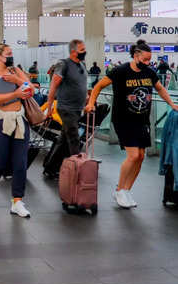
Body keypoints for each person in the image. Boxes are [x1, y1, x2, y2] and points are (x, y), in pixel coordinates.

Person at [86, 39, 178, 209]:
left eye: (149, 60)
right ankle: (119, 189)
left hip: (142, 119)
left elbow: (160, 89)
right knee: (133, 156)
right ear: (136, 56)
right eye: (144, 60)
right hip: (123, 119)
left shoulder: (149, 72)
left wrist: (172, 104)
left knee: (141, 157)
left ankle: (127, 190)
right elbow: (98, 85)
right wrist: (91, 102)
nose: (148, 63)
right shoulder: (120, 71)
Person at [0, 43, 34, 218]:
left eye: (12, 53)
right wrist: (15, 94)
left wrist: (18, 81)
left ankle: (17, 201)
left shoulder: (16, 71)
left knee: (20, 163)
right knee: (0, 163)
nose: (11, 57)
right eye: (8, 54)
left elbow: (31, 89)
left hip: (19, 121)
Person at [45, 40, 88, 157]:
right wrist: (49, 107)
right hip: (66, 108)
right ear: (73, 52)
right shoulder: (63, 64)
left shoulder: (82, 65)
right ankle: (77, 167)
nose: (85, 52)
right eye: (82, 50)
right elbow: (53, 86)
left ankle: (50, 167)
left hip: (78, 108)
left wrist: (88, 100)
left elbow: (82, 85)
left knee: (64, 139)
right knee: (74, 138)